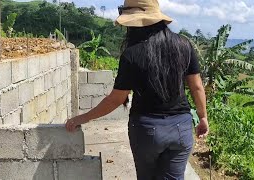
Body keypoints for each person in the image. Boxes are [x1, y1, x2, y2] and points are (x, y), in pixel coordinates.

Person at [66, 0, 209, 179]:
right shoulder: (184, 45)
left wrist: (83, 118)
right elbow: (196, 87)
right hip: (181, 128)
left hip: (147, 130)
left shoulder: (132, 54)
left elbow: (116, 99)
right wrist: (202, 117)